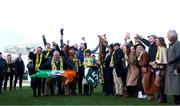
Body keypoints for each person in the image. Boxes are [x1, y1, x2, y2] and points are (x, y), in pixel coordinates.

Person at [165, 30, 180, 105]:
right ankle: (175, 99)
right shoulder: (171, 45)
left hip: (176, 67)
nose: (167, 37)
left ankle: (177, 100)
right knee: (173, 84)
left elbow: (179, 55)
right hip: (170, 67)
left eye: (168, 35)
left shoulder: (177, 44)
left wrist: (172, 62)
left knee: (176, 84)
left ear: (173, 36)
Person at [153, 37, 167, 103]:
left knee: (157, 82)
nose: (156, 42)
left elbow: (164, 60)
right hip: (159, 67)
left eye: (157, 41)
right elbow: (159, 59)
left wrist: (160, 67)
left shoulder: (163, 49)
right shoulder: (159, 48)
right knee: (160, 83)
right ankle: (161, 97)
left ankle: (162, 97)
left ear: (160, 41)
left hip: (161, 68)